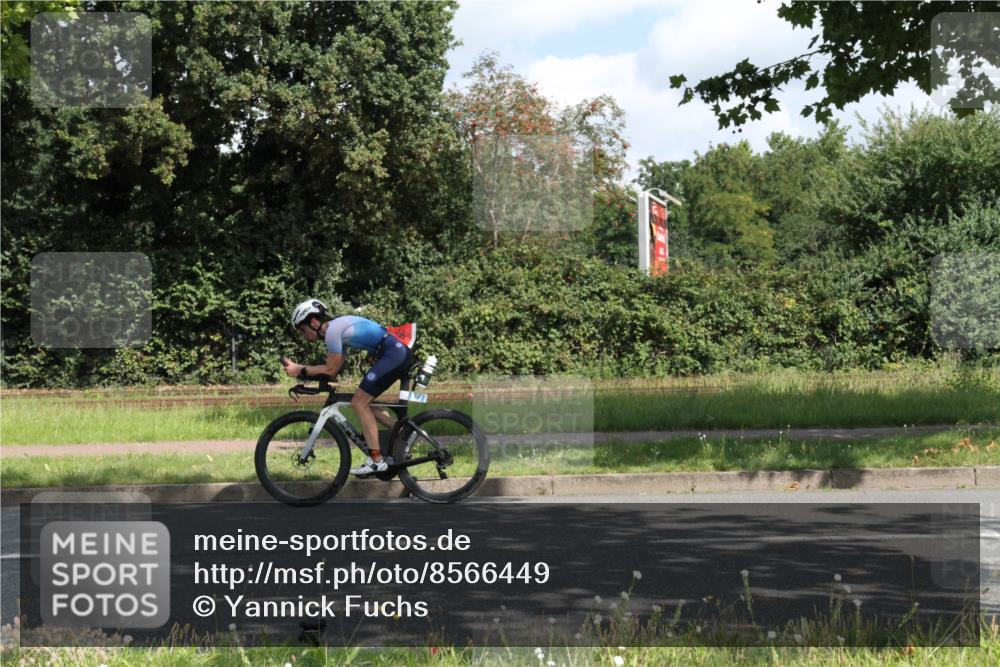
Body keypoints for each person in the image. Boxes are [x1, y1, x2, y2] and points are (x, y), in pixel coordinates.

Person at [282, 299, 413, 475]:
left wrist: (299, 370)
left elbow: (330, 368)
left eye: (302, 330)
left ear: (313, 322)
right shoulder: (337, 330)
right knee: (364, 402)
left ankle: (376, 460)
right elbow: (332, 372)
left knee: (359, 403)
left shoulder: (333, 331)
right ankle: (405, 433)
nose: (304, 336)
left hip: (393, 352)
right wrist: (304, 373)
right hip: (394, 352)